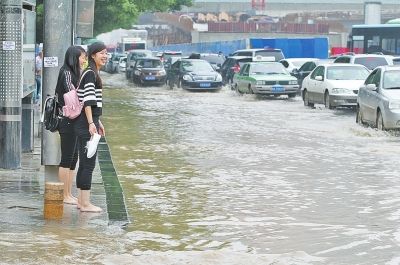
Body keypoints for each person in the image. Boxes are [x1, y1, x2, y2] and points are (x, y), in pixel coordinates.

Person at [75, 42, 107, 212]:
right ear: (93, 55)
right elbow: (87, 102)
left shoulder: (91, 72)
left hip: (87, 122)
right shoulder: (91, 74)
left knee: (84, 163)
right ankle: (86, 203)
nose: (105, 56)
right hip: (85, 124)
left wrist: (97, 120)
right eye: (102, 53)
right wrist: (91, 123)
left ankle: (81, 201)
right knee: (88, 164)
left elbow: (92, 103)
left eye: (106, 53)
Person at [55, 46, 87, 204]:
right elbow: (72, 94)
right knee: (67, 158)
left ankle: (68, 193)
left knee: (74, 158)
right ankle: (63, 194)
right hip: (67, 120)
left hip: (74, 120)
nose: (84, 60)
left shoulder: (75, 72)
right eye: (82, 57)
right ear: (74, 58)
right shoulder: (67, 73)